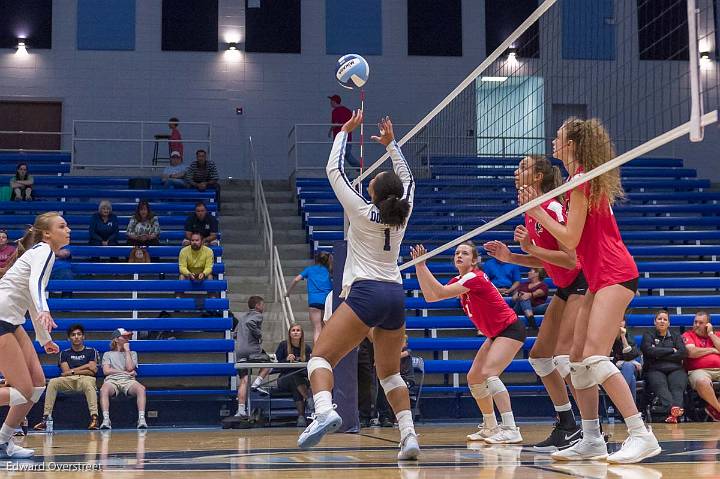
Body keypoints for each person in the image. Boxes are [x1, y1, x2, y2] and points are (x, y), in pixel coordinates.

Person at [520, 118, 660, 463]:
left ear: (572, 144)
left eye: (558, 137)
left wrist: (537, 208)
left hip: (615, 272)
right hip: (598, 277)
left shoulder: (582, 180)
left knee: (595, 357)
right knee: (577, 361)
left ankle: (641, 433)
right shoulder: (574, 180)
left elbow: (570, 240)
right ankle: (592, 438)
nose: (553, 141)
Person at [297, 111, 420, 461]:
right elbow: (408, 179)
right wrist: (392, 145)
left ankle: (324, 410)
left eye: (372, 183)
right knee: (390, 373)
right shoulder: (404, 212)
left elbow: (333, 171)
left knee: (320, 356)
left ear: (376, 193)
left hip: (365, 293)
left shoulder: (362, 212)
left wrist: (344, 132)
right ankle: (408, 435)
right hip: (395, 295)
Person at [484, 154, 585, 452]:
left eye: (523, 167)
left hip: (582, 283)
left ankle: (593, 432)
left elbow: (571, 259)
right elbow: (546, 260)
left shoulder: (551, 206)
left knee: (566, 361)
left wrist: (526, 248)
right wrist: (512, 257)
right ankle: (568, 426)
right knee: (540, 357)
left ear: (538, 177)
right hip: (564, 287)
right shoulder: (530, 211)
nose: (517, 172)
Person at [412, 242, 525, 445]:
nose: (459, 255)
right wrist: (420, 267)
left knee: (490, 373)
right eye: (456, 253)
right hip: (495, 334)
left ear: (474, 261)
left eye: (465, 253)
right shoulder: (461, 280)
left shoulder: (475, 277)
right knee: (474, 378)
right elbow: (430, 297)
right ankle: (491, 426)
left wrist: (421, 266)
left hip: (510, 329)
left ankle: (511, 428)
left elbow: (438, 292)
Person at [0, 212, 68, 458]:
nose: (68, 230)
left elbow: (30, 297)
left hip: (11, 320)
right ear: (47, 233)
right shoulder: (44, 251)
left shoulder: (41, 253)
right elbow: (35, 286)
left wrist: (45, 339)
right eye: (62, 226)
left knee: (37, 385)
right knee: (23, 390)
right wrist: (45, 311)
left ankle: (2, 442)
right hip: (1, 319)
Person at [33, 324, 100, 431]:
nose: (76, 337)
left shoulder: (92, 351)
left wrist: (73, 371)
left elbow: (93, 371)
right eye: (73, 335)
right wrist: (86, 366)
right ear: (69, 338)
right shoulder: (64, 353)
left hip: (85, 379)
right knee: (53, 382)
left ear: (83, 337)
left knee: (89, 383)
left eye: (79, 334)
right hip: (68, 381)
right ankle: (46, 419)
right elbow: (65, 372)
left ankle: (94, 418)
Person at [641, 310, 687, 423]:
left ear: (669, 323)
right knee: (661, 387)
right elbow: (648, 351)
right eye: (659, 319)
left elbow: (682, 353)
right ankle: (674, 411)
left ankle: (673, 414)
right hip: (655, 369)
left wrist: (658, 354)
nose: (662, 321)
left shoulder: (676, 336)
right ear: (654, 321)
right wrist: (671, 350)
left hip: (675, 369)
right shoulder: (648, 334)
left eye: (665, 319)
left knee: (677, 388)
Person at [99, 328, 147, 430]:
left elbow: (130, 368)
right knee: (104, 390)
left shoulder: (132, 353)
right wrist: (123, 372)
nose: (127, 339)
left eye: (128, 337)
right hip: (112, 380)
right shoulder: (108, 354)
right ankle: (106, 419)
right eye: (124, 337)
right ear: (116, 339)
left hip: (128, 380)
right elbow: (106, 371)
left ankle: (141, 419)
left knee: (141, 389)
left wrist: (127, 351)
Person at [233, 296, 269, 418]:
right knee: (268, 363)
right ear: (258, 305)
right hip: (252, 349)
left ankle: (241, 410)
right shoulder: (258, 315)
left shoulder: (242, 317)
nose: (263, 307)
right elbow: (251, 323)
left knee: (244, 379)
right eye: (262, 304)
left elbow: (235, 333)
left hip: (240, 351)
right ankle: (257, 383)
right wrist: (258, 335)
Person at [681, 311, 720, 421]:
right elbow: (692, 352)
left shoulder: (716, 335)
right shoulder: (687, 335)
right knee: (702, 382)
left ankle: (713, 410)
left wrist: (711, 334)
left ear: (708, 325)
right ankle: (718, 409)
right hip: (698, 370)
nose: (697, 325)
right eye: (695, 322)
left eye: (701, 323)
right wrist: (712, 350)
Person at [286, 252, 333, 343]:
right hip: (327, 300)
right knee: (325, 327)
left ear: (316, 259)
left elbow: (296, 279)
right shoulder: (329, 270)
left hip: (314, 300)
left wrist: (288, 293)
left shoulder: (310, 269)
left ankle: (317, 353)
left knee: (317, 328)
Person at [274, 323, 313, 427]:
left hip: (300, 380)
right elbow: (276, 365)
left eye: (298, 330)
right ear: (290, 333)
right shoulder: (283, 345)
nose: (296, 332)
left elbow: (309, 369)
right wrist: (286, 360)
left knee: (295, 383)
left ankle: (301, 416)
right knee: (293, 376)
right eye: (293, 330)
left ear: (302, 334)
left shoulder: (307, 348)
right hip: (283, 379)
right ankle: (309, 399)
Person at [376, 334, 415, 427]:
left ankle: (400, 417)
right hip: (393, 378)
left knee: (398, 386)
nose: (400, 343)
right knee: (384, 387)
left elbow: (405, 354)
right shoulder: (390, 353)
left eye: (402, 342)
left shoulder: (407, 354)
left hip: (407, 379)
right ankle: (385, 417)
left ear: (406, 344)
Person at [610, 319, 642, 404]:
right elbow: (607, 358)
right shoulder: (607, 337)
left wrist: (623, 338)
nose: (620, 322)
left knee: (628, 366)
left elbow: (632, 355)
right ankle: (631, 413)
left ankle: (619, 402)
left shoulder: (629, 336)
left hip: (628, 369)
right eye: (618, 319)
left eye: (622, 320)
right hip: (611, 370)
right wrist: (627, 361)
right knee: (632, 378)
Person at [328, 95, 358, 167]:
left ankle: (359, 168)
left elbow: (336, 123)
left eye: (331, 101)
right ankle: (358, 168)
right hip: (348, 136)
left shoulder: (335, 111)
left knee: (341, 155)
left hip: (339, 137)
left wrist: (330, 131)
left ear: (334, 101)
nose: (330, 103)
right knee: (345, 154)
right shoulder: (348, 111)